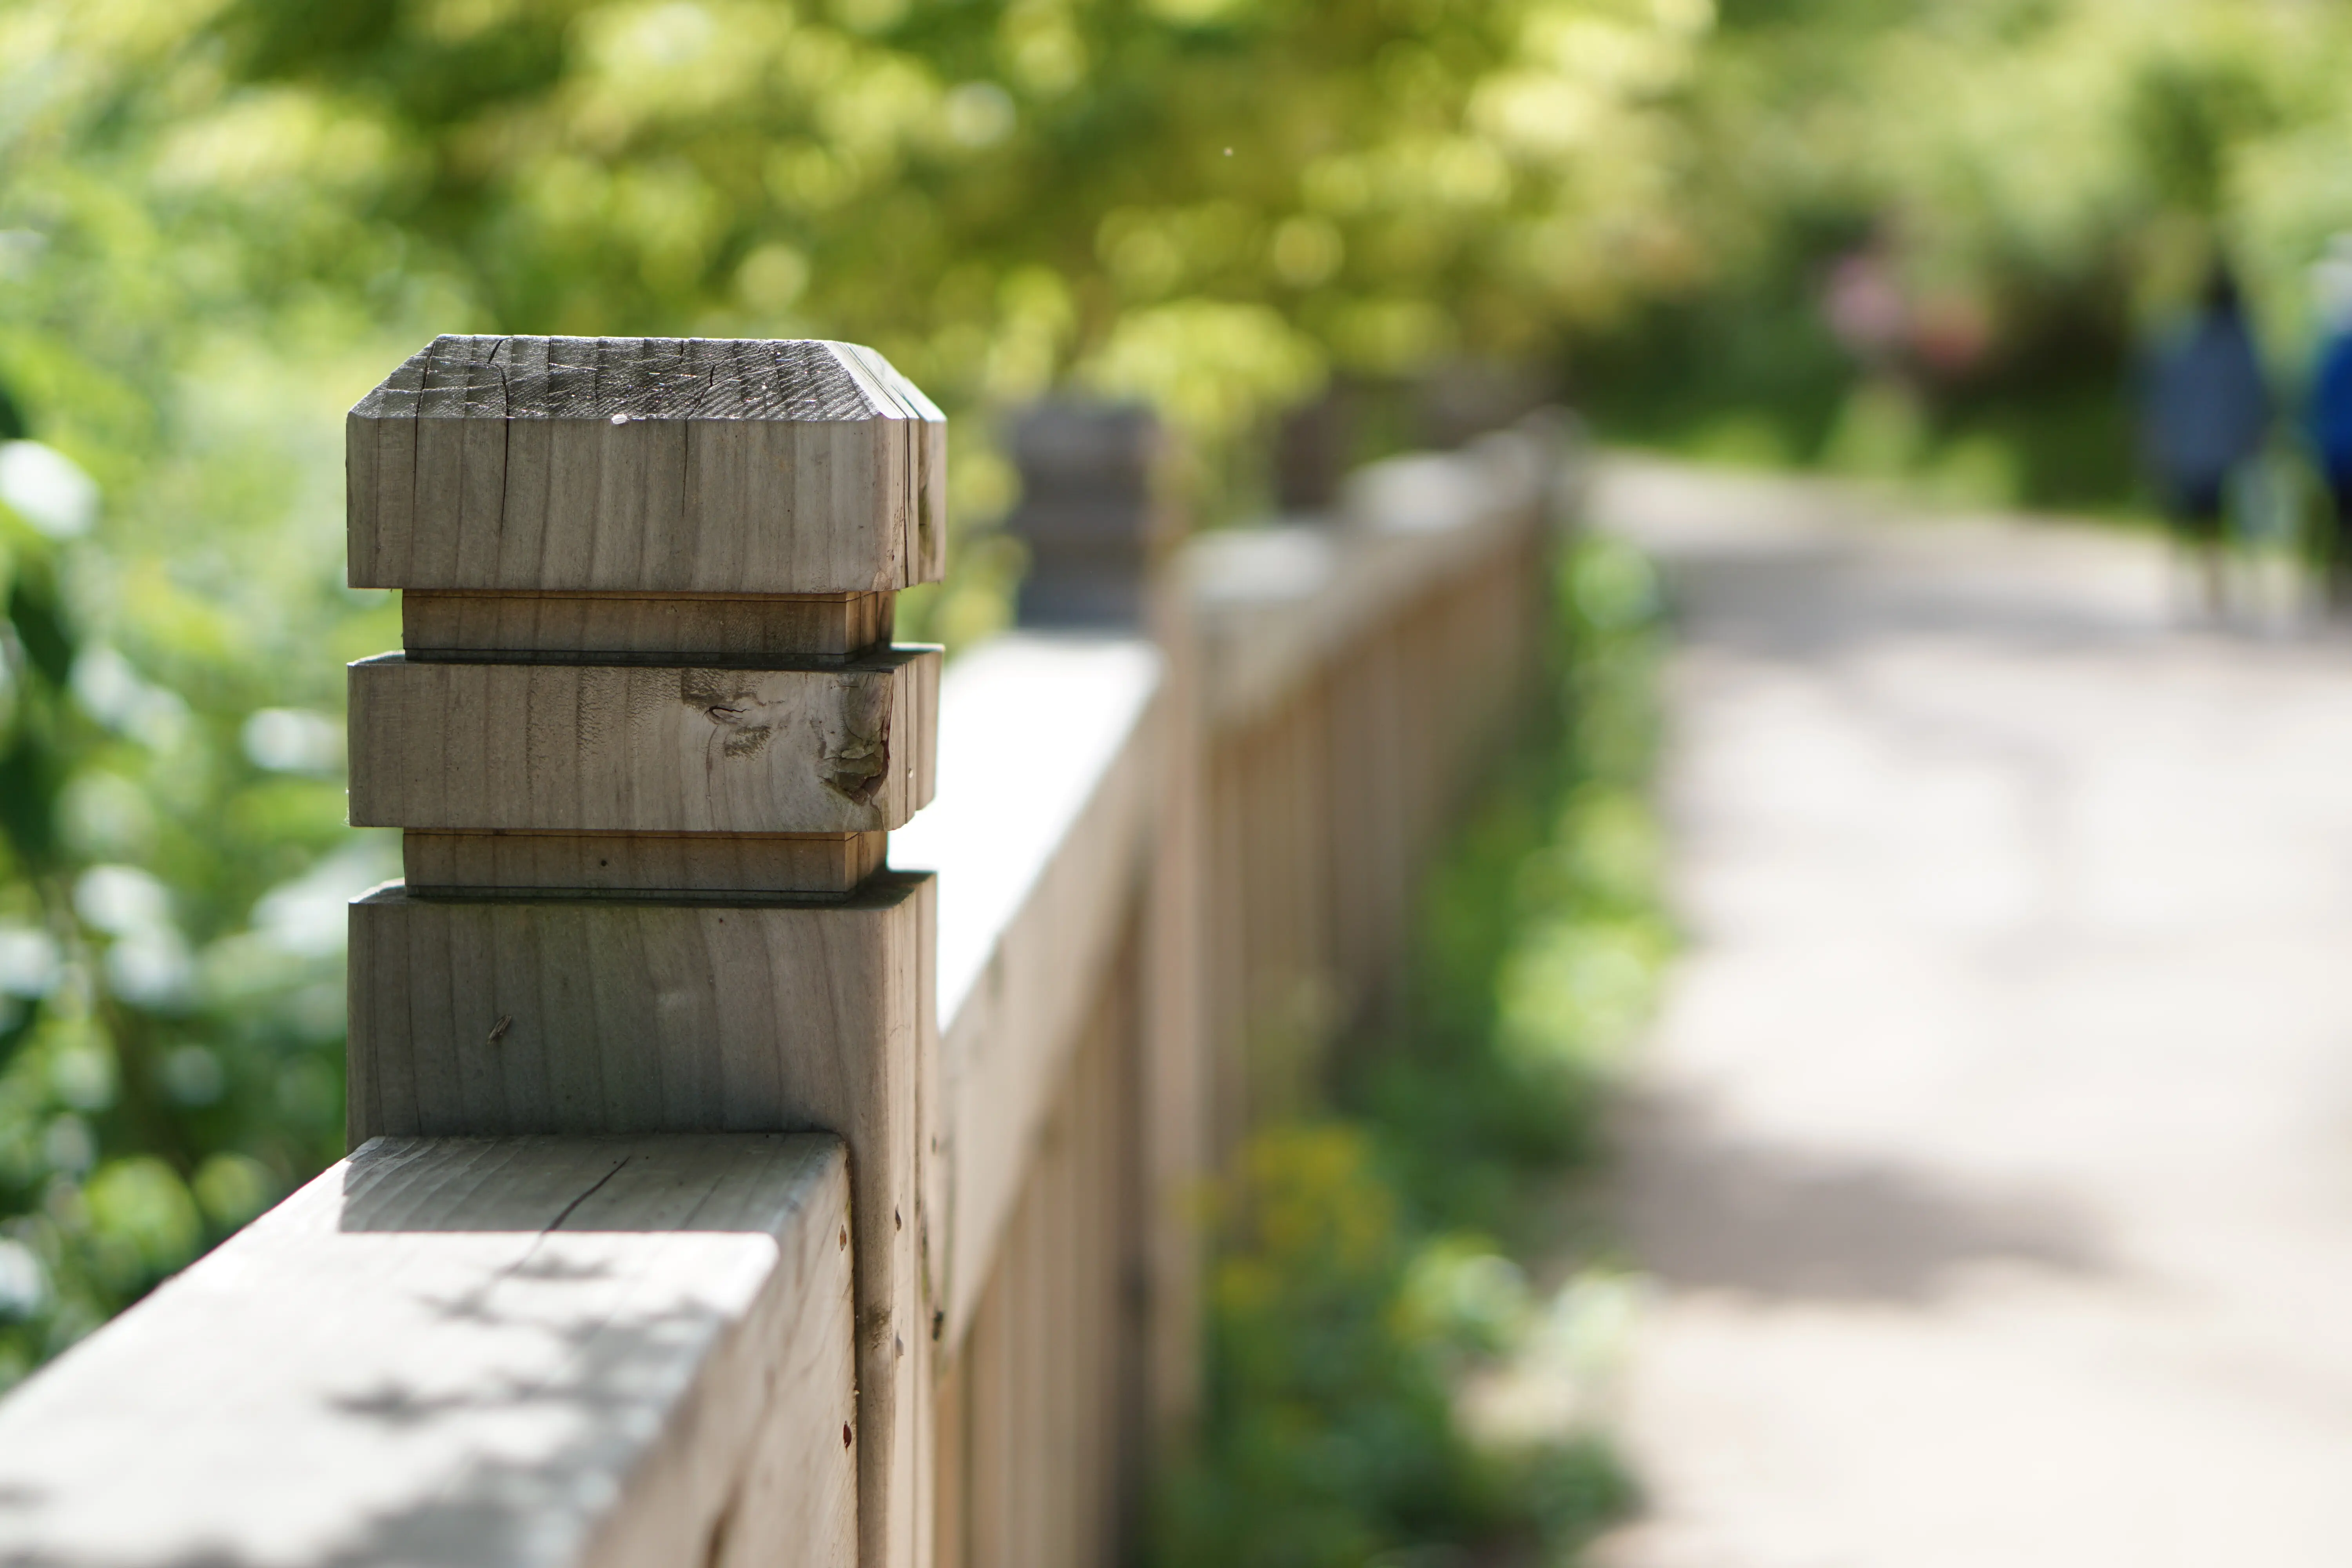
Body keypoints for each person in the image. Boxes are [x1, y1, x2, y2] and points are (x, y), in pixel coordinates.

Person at [2140, 264, 2271, 616]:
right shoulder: (2242, 343)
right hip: (2229, 447)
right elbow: (2257, 394)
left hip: (2188, 447)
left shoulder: (2185, 338)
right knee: (2221, 520)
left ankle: (2191, 587)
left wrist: (2158, 438)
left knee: (2190, 517)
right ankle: (2218, 590)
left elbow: (2162, 393)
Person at [2307, 256, 2352, 612]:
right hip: (2339, 449)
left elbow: (2316, 399)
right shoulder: (2337, 353)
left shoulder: (2332, 352)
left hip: (2334, 450)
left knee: (2338, 522)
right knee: (2340, 521)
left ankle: (2332, 586)